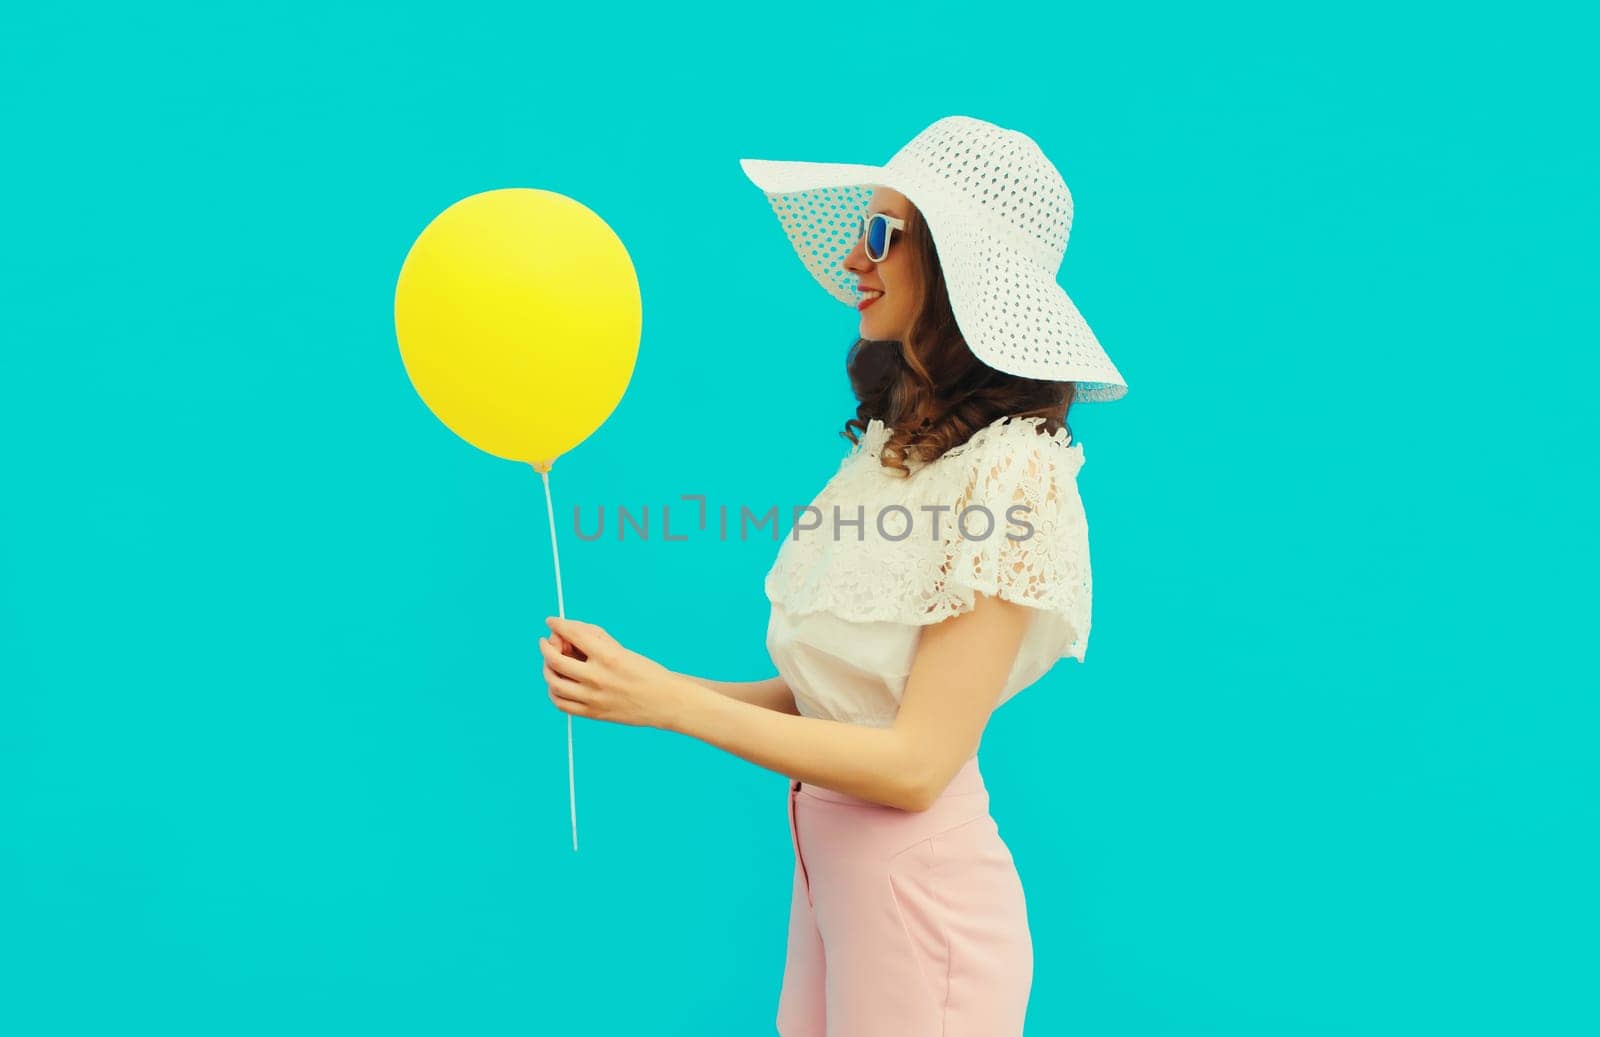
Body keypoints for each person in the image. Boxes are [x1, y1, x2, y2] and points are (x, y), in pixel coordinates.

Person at [538, 115, 1127, 1036]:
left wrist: (664, 702)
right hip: (832, 901)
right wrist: (634, 683)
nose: (856, 255)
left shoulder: (1017, 469)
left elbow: (916, 764)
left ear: (957, 264)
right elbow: (838, 696)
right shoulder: (900, 449)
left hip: (922, 920)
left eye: (884, 232)